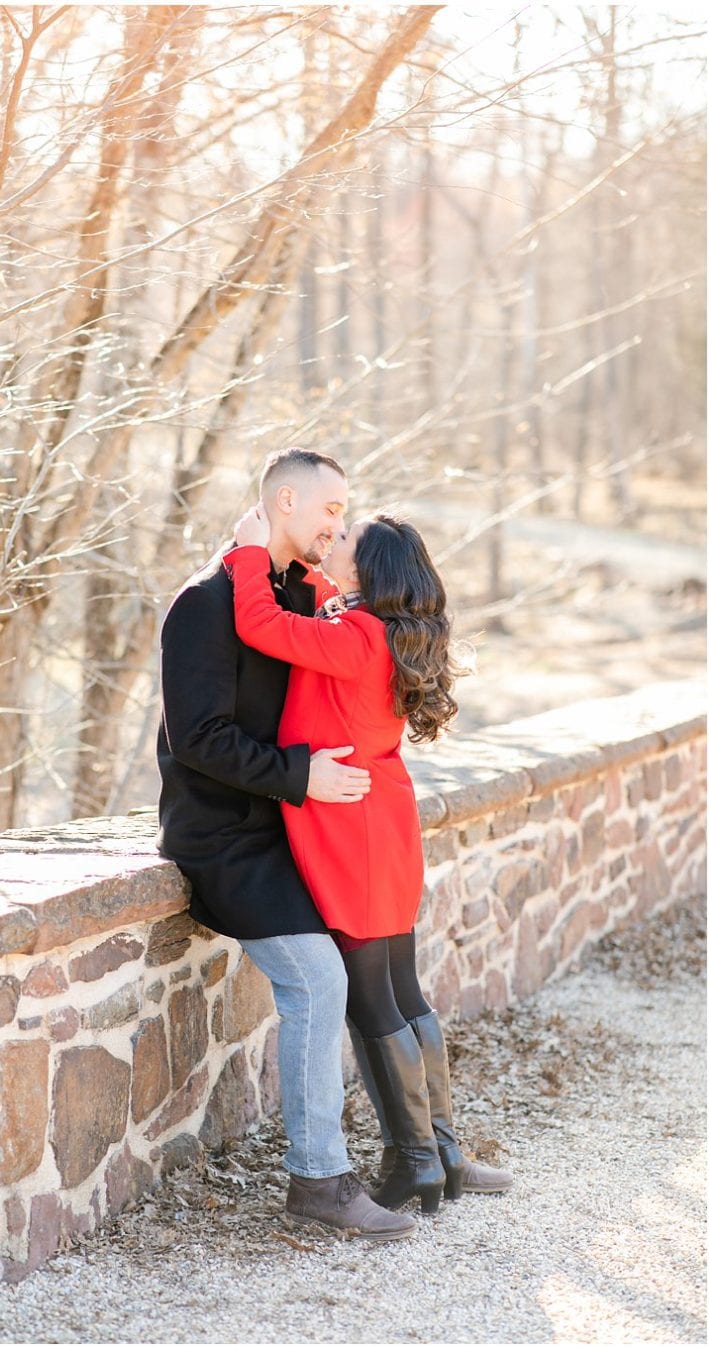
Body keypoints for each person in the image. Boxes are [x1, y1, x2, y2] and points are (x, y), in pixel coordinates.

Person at [156, 447, 417, 1241]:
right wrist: (302, 776)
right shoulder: (203, 602)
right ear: (287, 502)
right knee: (317, 978)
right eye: (332, 512)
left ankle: (427, 1149)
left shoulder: (298, 595)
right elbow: (199, 738)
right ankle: (319, 1179)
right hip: (224, 836)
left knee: (376, 967)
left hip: (292, 828)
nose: (340, 526)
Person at [226, 502, 513, 1209]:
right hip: (383, 817)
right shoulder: (379, 632)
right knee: (402, 987)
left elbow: (259, 624)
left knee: (370, 994)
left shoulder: (356, 637)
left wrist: (247, 554)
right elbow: (326, 609)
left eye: (346, 536)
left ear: (365, 566)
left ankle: (417, 1158)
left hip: (351, 826)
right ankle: (439, 1149)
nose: (337, 534)